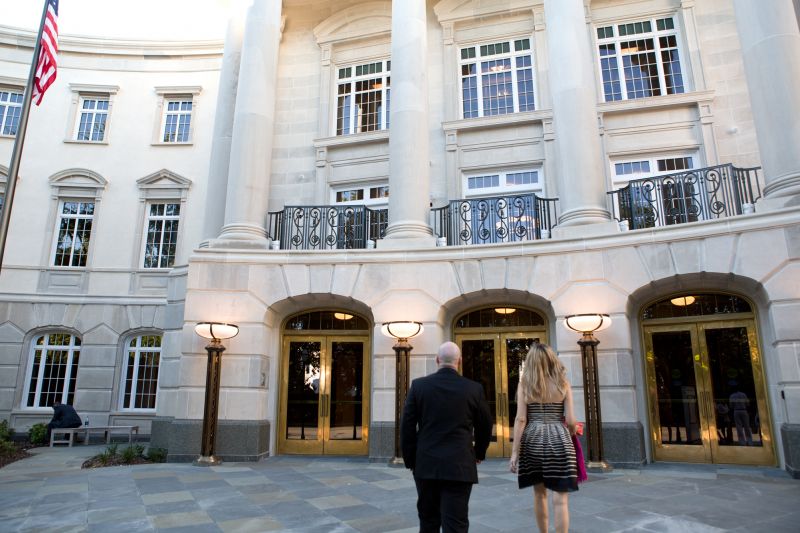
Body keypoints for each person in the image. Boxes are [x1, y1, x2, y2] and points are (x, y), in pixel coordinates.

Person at [400, 341, 492, 533]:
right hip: (460, 465)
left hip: (426, 464)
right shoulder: (474, 389)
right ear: (459, 361)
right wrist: (479, 453)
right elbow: (485, 425)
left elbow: (407, 426)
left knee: (428, 521)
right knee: (456, 523)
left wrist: (410, 460)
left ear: (436, 360)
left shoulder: (419, 386)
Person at [509, 342, 578, 533]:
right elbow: (571, 420)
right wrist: (570, 434)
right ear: (551, 359)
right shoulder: (563, 383)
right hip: (559, 437)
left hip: (533, 439)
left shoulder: (525, 384)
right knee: (561, 498)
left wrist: (514, 453)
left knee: (539, 494)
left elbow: (521, 419)